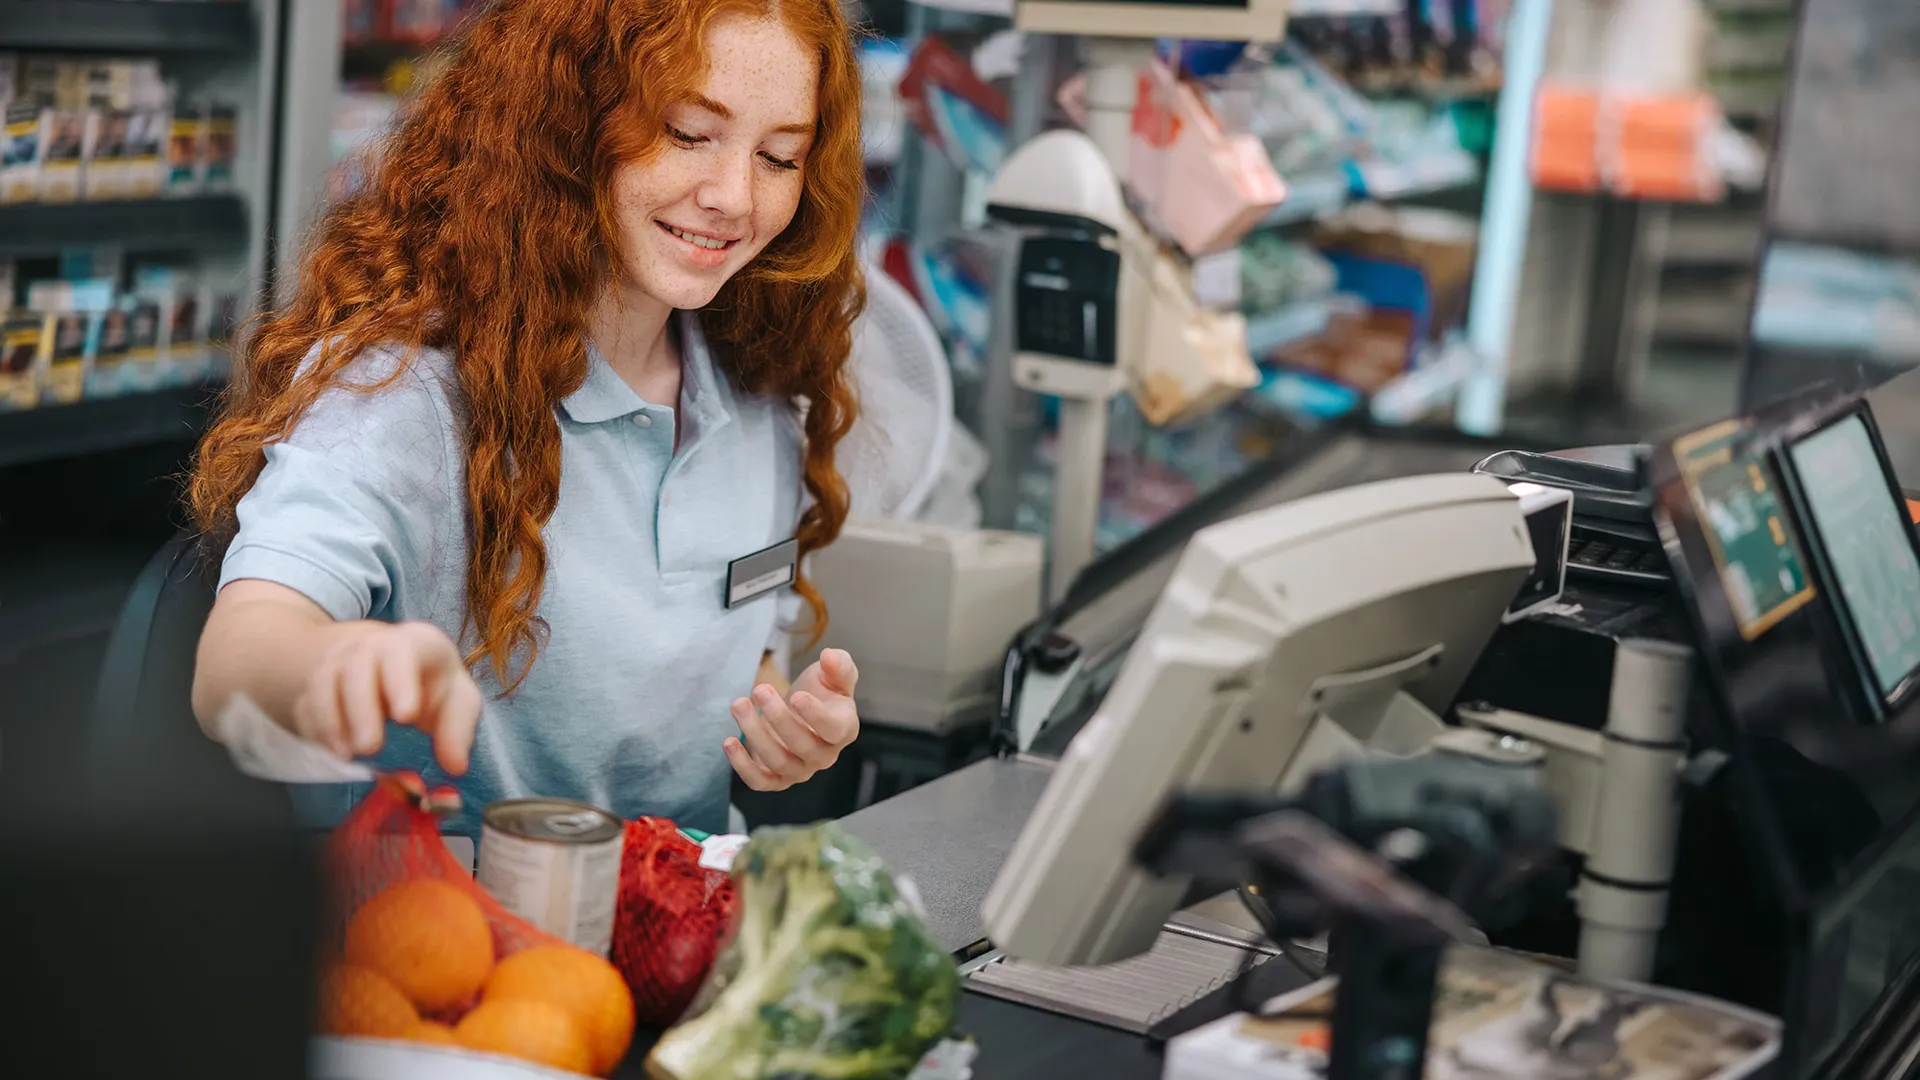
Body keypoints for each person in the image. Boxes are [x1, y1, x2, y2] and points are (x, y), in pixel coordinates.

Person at [187, 0, 869, 839]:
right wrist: (335, 662)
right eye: (688, 133)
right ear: (568, 124)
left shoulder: (760, 402)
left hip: (680, 933)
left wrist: (781, 719)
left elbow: (736, 640)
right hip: (448, 942)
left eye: (779, 156)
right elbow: (235, 661)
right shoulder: (406, 395)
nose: (733, 196)